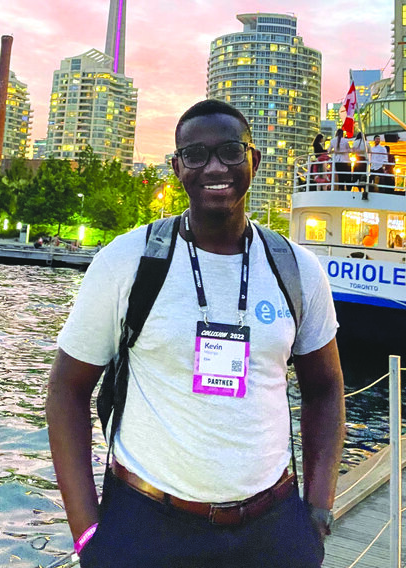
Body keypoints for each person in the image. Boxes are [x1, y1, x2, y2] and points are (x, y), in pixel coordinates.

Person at [46, 99, 344, 568]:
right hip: (147, 524)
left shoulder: (297, 269)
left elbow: (325, 389)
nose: (215, 167)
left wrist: (318, 510)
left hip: (272, 528)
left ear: (254, 160)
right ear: (177, 168)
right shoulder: (127, 261)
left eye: (229, 151)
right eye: (196, 155)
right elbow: (67, 388)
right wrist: (88, 532)